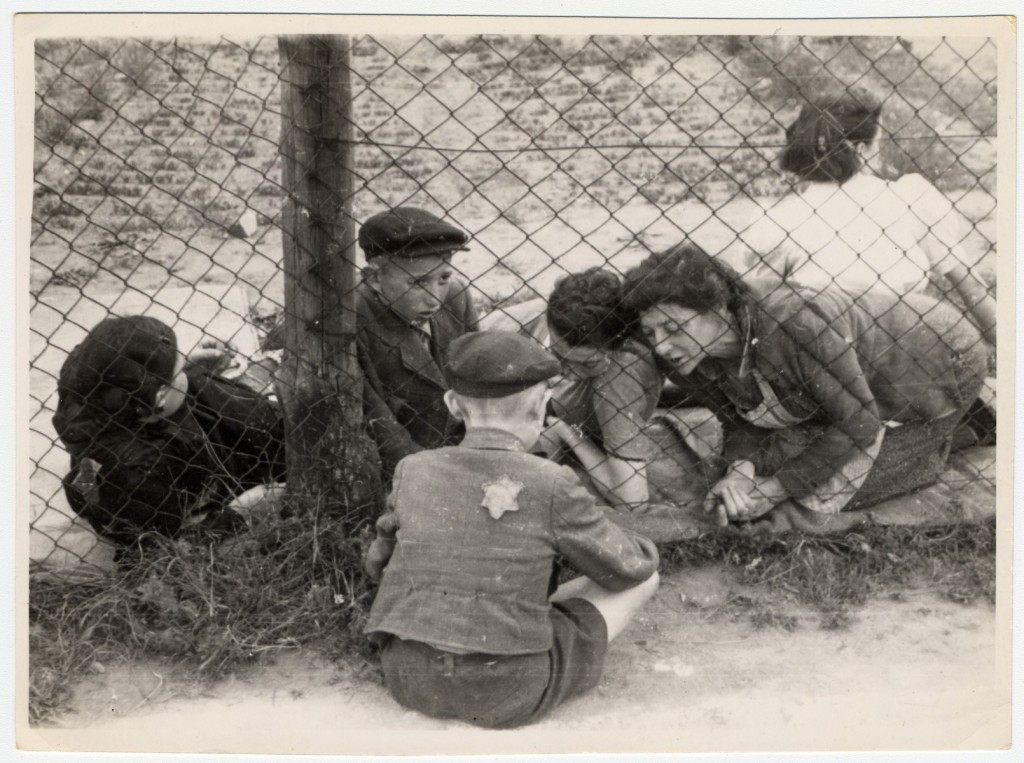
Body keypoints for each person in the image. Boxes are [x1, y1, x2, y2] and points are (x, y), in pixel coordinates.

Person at [363, 330, 660, 729]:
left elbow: (377, 566)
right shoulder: (551, 481)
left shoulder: (412, 469)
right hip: (509, 691)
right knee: (645, 580)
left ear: (453, 404)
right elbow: (631, 568)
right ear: (542, 405)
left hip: (409, 678)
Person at [622, 243, 990, 531]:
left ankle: (951, 429)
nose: (661, 346)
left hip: (944, 357)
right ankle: (936, 428)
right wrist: (740, 471)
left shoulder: (795, 323)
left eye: (673, 327)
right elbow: (738, 420)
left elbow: (860, 422)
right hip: (859, 378)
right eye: (651, 332)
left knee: (823, 494)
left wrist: (777, 489)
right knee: (795, 458)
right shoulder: (691, 355)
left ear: (718, 307)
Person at [738, 85, 997, 349]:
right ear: (861, 149)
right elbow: (971, 288)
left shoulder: (778, 220)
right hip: (909, 352)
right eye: (879, 142)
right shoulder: (911, 199)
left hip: (826, 355)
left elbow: (761, 307)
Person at [52, 315, 286, 554]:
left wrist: (168, 369)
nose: (185, 366)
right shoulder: (145, 473)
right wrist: (239, 514)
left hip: (103, 477)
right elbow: (166, 553)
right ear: (161, 397)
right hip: (152, 492)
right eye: (179, 367)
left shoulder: (84, 385)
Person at [356, 206, 478, 479]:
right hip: (404, 465)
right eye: (418, 282)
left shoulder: (457, 296)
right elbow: (379, 420)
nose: (434, 297)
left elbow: (476, 379)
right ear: (374, 278)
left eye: (443, 277)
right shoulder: (352, 316)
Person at [533, 268, 663, 508]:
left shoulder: (620, 369)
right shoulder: (547, 321)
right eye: (558, 354)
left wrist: (569, 434)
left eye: (588, 362)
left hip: (563, 416)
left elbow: (632, 501)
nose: (566, 371)